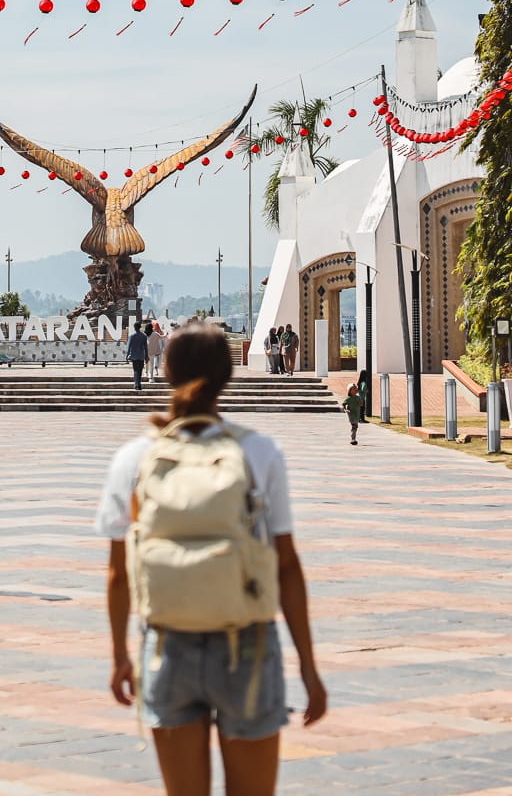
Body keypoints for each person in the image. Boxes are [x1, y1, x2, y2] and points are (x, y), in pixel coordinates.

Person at [95, 323, 326, 796]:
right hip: (247, 642)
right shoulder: (258, 452)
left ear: (165, 371)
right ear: (228, 375)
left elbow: (119, 574)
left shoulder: (135, 457)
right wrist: (307, 664)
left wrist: (120, 656)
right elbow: (286, 565)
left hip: (168, 644)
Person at [125, 321, 149, 390]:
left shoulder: (132, 336)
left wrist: (127, 356)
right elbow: (146, 347)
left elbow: (129, 347)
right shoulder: (144, 336)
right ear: (140, 327)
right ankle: (139, 384)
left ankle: (136, 384)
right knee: (140, 371)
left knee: (136, 370)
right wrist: (146, 356)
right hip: (141, 356)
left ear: (134, 327)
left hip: (134, 356)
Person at [343, 379, 361, 445]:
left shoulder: (358, 397)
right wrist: (346, 409)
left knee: (355, 426)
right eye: (354, 389)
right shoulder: (348, 398)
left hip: (357, 414)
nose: (355, 390)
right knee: (354, 426)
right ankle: (353, 439)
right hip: (351, 414)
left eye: (356, 389)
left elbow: (361, 404)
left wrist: (360, 403)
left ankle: (353, 438)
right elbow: (344, 404)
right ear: (349, 391)